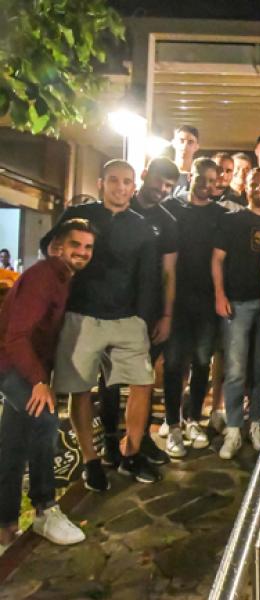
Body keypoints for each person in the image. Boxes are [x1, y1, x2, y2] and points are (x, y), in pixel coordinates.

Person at [44, 160, 161, 489]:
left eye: (126, 181)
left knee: (143, 383)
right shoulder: (78, 216)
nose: (120, 187)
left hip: (127, 318)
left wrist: (146, 318)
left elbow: (149, 277)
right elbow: (49, 247)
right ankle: (90, 460)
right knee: (80, 388)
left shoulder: (142, 226)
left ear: (134, 187)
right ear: (101, 183)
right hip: (81, 315)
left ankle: (132, 453)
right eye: (113, 180)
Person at [0, 220, 96, 552]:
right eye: (75, 245)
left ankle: (5, 523)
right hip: (11, 364)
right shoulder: (43, 277)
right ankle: (45, 508)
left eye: (88, 247)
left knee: (12, 443)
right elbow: (17, 336)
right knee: (45, 420)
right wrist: (39, 381)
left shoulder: (64, 279)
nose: (82, 252)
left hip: (22, 366)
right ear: (57, 247)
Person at [98, 157, 179, 469]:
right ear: (145, 175)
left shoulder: (168, 222)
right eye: (159, 181)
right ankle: (109, 441)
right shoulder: (113, 209)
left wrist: (166, 315)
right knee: (109, 379)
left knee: (142, 381)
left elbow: (169, 272)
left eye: (169, 186)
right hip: (108, 309)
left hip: (148, 312)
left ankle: (139, 440)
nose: (162, 189)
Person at [161, 158, 227, 457]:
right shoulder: (171, 209)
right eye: (202, 178)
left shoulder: (220, 214)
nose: (206, 185)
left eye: (212, 180)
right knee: (174, 363)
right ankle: (172, 423)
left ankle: (193, 420)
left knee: (202, 362)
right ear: (191, 177)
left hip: (206, 299)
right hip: (175, 298)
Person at [212, 168, 260, 459]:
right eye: (254, 184)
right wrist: (220, 294)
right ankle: (234, 427)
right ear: (246, 187)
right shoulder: (232, 220)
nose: (259, 189)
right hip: (237, 302)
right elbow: (217, 259)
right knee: (235, 370)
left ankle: (256, 423)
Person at [171, 125, 199, 196]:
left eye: (190, 142)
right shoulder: (163, 171)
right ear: (174, 143)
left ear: (196, 146)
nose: (185, 146)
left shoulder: (198, 175)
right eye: (181, 141)